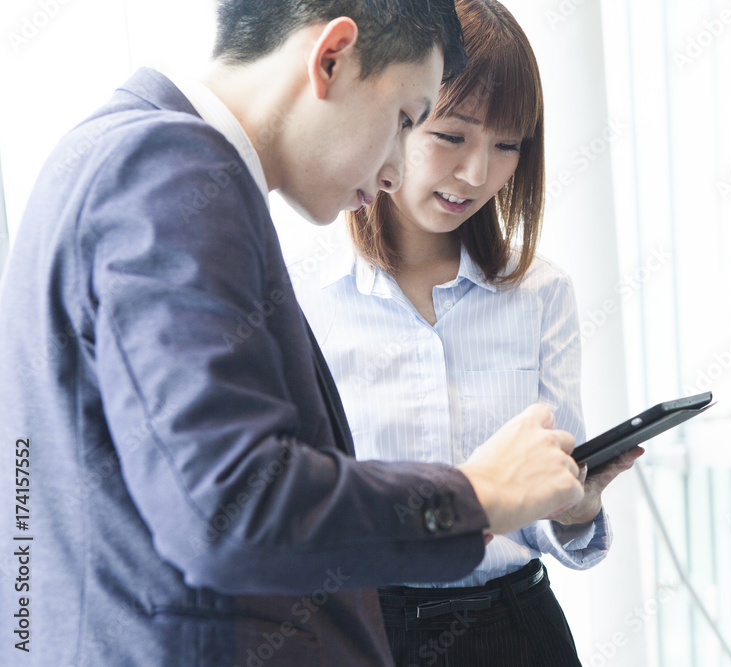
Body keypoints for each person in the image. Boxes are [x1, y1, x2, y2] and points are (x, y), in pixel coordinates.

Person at [0, 2, 587, 665]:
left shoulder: (112, 145)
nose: (395, 169)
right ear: (331, 57)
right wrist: (481, 493)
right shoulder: (170, 168)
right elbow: (230, 510)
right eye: (404, 120)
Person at [297, 1, 642, 664]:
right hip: (369, 634)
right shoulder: (308, 300)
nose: (478, 174)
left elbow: (546, 498)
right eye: (452, 136)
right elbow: (304, 514)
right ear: (396, 116)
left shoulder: (540, 293)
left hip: (515, 628)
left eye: (507, 145)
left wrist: (574, 510)